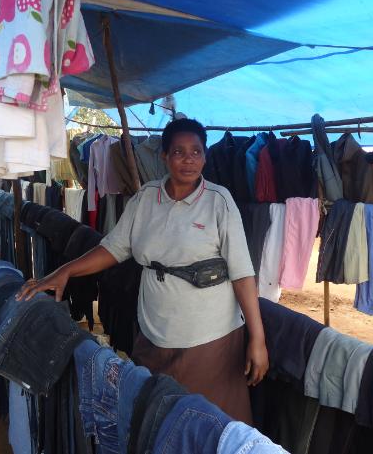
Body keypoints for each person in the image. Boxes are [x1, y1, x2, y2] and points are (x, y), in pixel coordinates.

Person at [18, 118, 269, 423]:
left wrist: (257, 339)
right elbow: (114, 248)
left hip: (210, 339)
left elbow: (242, 274)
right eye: (179, 152)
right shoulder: (146, 197)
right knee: (156, 419)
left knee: (208, 424)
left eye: (196, 152)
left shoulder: (219, 201)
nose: (188, 160)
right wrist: (65, 272)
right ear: (164, 156)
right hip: (153, 332)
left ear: (205, 157)